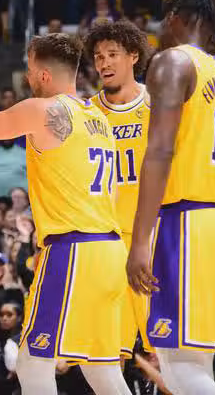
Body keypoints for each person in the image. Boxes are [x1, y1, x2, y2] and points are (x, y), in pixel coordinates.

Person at [0, 19, 131, 394]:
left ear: (44, 75)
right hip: (110, 251)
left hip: (73, 248)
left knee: (32, 364)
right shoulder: (99, 118)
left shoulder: (43, 110)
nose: (26, 78)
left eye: (28, 70)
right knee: (103, 370)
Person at [127, 0, 215, 394]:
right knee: (199, 362)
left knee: (179, 366)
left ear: (175, 18)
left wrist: (140, 241)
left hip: (187, 223)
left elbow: (160, 151)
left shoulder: (174, 62)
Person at [85, 19, 152, 360]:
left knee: (167, 349)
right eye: (99, 56)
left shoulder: (158, 103)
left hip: (152, 235)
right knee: (108, 353)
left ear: (133, 56)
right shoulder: (86, 112)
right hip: (106, 241)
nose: (105, 63)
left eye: (113, 54)